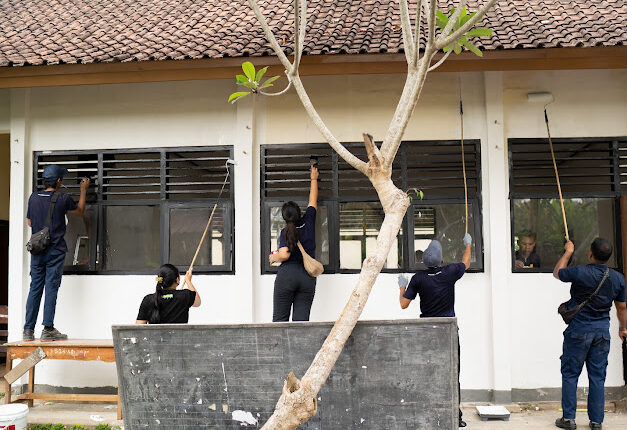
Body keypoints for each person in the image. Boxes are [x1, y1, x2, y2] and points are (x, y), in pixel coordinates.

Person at [398, 233, 472, 429]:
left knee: (427, 371)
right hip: (447, 330)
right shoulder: (450, 272)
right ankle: (456, 417)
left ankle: (428, 414)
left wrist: (402, 286)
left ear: (423, 260)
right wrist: (468, 245)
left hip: (427, 331)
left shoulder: (418, 278)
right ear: (441, 259)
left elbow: (404, 304)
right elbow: (466, 262)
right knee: (452, 372)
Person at [553, 238, 627, 430]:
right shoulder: (618, 278)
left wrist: (568, 252)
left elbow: (557, 273)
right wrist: (623, 328)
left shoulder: (580, 272)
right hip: (601, 332)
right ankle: (596, 422)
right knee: (597, 377)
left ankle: (568, 419)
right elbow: (622, 308)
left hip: (578, 331)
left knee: (570, 374)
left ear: (590, 253)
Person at [24, 165, 90, 341]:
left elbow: (30, 222)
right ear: (59, 181)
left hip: (37, 250)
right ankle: (48, 329)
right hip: (55, 250)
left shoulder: (34, 197)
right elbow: (80, 211)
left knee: (35, 288)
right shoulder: (63, 198)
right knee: (51, 287)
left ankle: (28, 331)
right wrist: (83, 190)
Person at [269, 165, 319, 322]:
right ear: (300, 212)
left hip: (287, 276)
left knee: (279, 320)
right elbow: (313, 200)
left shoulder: (286, 232)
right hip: (307, 276)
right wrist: (313, 178)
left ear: (284, 218)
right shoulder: (309, 220)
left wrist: (272, 257)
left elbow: (284, 254)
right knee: (301, 322)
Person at [136, 264, 201, 324]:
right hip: (178, 336)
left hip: (156, 336)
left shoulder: (148, 299)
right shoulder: (184, 295)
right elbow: (198, 302)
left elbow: (139, 326)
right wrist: (188, 280)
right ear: (177, 280)